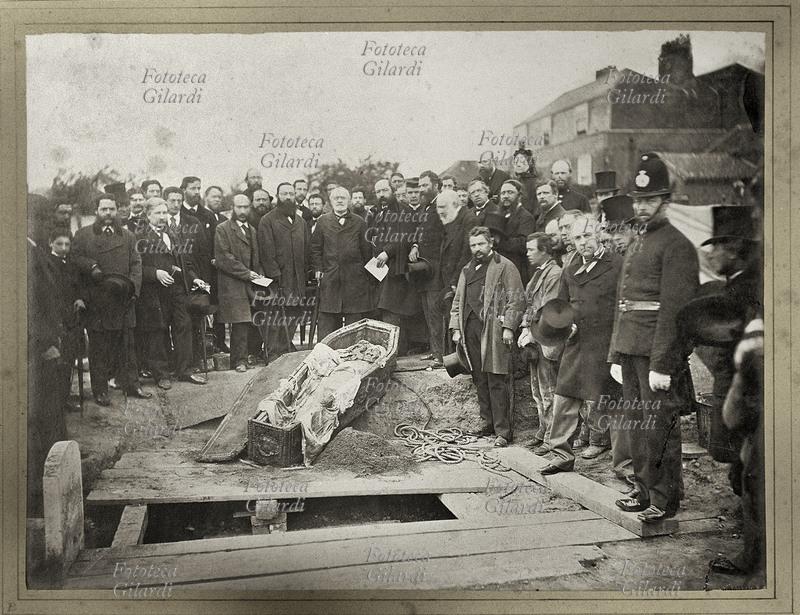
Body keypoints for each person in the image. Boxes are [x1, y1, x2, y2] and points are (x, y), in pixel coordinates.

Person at [609, 152, 699, 523]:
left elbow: (677, 310)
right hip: (630, 349)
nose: (643, 207)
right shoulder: (636, 241)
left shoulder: (677, 244)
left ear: (666, 201)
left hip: (655, 353)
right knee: (636, 424)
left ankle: (664, 497)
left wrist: (664, 364)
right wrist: (616, 353)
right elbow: (623, 302)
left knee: (660, 427)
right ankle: (643, 489)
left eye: (651, 199)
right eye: (639, 200)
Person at [538, 215, 624, 474]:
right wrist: (565, 326)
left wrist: (618, 348)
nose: (582, 242)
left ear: (598, 234)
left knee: (617, 405)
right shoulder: (570, 268)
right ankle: (561, 455)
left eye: (587, 236)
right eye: (577, 238)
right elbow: (561, 306)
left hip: (607, 344)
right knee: (564, 398)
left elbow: (623, 308)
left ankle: (625, 466)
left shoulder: (618, 264)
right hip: (577, 344)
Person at [450, 226, 524, 448]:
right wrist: (455, 328)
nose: (477, 249)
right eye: (473, 245)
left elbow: (517, 299)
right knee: (478, 377)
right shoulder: (467, 269)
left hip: (493, 328)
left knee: (496, 378)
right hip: (469, 328)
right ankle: (487, 422)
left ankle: (503, 431)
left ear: (491, 243)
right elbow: (457, 302)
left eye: (481, 244)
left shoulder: (505, 266)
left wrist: (509, 326)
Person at [71, 193, 146, 405]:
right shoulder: (83, 235)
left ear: (117, 210)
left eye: (111, 209)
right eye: (104, 209)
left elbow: (136, 265)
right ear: (96, 211)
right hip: (97, 300)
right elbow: (74, 260)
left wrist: (134, 291)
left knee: (128, 346)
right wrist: (91, 266)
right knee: (99, 348)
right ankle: (100, 390)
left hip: (124, 299)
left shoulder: (128, 236)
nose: (108, 214)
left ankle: (132, 385)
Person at [135, 198, 207, 388]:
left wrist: (193, 278)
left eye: (164, 213)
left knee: (184, 326)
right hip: (154, 292)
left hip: (177, 289)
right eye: (157, 213)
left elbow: (185, 262)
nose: (162, 217)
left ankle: (184, 370)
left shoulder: (174, 235)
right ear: (148, 215)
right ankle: (162, 375)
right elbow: (134, 267)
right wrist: (155, 273)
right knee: (158, 331)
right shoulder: (139, 237)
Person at [517, 233, 562, 455]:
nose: (527, 254)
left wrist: (531, 334)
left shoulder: (554, 274)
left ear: (544, 250)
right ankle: (543, 431)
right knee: (537, 389)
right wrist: (525, 328)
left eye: (531, 250)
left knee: (549, 391)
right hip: (535, 337)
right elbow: (529, 304)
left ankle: (552, 438)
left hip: (546, 339)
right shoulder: (539, 273)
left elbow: (547, 309)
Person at [310, 187, 373, 339]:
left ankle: (354, 354)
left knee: (354, 320)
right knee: (328, 319)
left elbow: (366, 251)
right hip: (331, 278)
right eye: (336, 198)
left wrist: (363, 274)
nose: (339, 201)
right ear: (331, 202)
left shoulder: (359, 222)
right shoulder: (323, 221)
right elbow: (315, 248)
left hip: (354, 279)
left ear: (349, 201)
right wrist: (318, 268)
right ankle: (325, 355)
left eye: (343, 198)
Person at [215, 194, 268, 372]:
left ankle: (249, 356)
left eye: (246, 207)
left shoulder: (252, 230)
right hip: (232, 283)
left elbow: (257, 257)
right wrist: (247, 273)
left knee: (252, 320)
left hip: (250, 283)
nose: (243, 211)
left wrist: (259, 274)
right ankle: (239, 361)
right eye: (239, 207)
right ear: (232, 208)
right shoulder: (223, 229)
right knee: (239, 322)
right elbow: (224, 258)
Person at [258, 182, 311, 358]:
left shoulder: (301, 222)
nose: (288, 197)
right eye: (284, 194)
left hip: (297, 278)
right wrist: (275, 275)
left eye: (291, 194)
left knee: (294, 313)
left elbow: (306, 250)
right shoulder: (268, 220)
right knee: (275, 316)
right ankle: (272, 351)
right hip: (278, 278)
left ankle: (286, 345)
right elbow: (266, 252)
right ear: (278, 196)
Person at [365, 179, 415, 354]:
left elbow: (406, 236)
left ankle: (396, 351)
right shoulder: (377, 212)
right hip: (379, 269)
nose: (381, 195)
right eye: (378, 192)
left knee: (392, 309)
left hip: (397, 267)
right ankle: (389, 349)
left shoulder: (403, 211)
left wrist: (387, 251)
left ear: (392, 191)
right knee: (383, 308)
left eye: (385, 190)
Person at [437, 189, 477, 357]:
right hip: (452, 278)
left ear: (455, 204)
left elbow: (466, 253)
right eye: (437, 207)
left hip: (462, 279)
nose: (439, 211)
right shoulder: (453, 218)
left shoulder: (469, 219)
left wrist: (455, 281)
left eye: (442, 207)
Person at [411, 171, 445, 368]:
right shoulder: (426, 207)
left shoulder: (442, 205)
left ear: (436, 185)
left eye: (425, 185)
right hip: (425, 270)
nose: (421, 189)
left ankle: (440, 355)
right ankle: (434, 351)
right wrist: (415, 245)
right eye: (420, 186)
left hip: (437, 270)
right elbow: (420, 232)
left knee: (435, 312)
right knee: (428, 312)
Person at [493, 179, 536, 284]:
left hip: (517, 268)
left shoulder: (526, 217)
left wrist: (499, 242)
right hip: (498, 267)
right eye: (503, 193)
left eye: (510, 192)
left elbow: (523, 243)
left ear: (519, 196)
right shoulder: (498, 215)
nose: (506, 196)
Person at [512, 147, 539, 217]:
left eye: (521, 161)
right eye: (515, 162)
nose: (518, 164)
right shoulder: (513, 183)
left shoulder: (536, 183)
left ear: (529, 164)